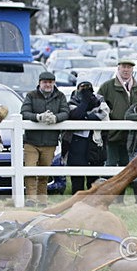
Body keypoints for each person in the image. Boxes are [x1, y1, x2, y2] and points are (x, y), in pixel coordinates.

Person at [20, 71, 69, 207]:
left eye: (50, 82)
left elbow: (66, 112)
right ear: (40, 83)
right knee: (30, 169)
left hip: (50, 141)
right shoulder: (31, 95)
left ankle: (42, 199)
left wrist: (56, 118)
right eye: (45, 82)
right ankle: (31, 198)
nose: (47, 84)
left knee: (45, 171)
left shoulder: (60, 96)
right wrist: (38, 117)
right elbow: (24, 112)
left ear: (54, 83)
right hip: (31, 141)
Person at [65, 80, 109, 195]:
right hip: (76, 142)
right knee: (77, 178)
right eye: (82, 88)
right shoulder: (72, 101)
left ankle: (92, 205)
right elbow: (75, 115)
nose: (85, 90)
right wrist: (85, 102)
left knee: (93, 178)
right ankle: (75, 203)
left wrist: (85, 116)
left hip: (95, 141)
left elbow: (103, 114)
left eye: (88, 88)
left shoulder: (99, 100)